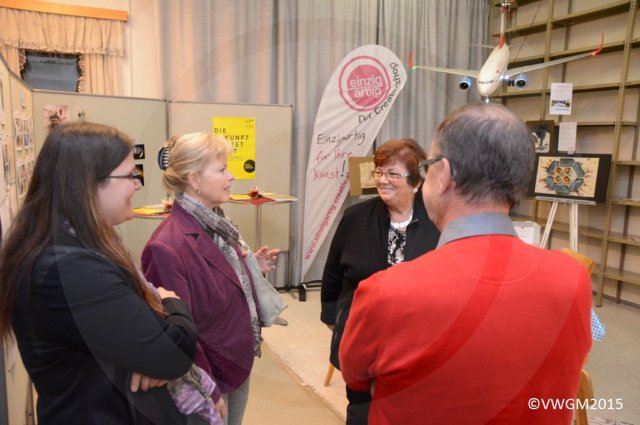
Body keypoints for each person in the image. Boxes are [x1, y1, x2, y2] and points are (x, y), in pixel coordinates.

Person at [339, 103, 592, 424]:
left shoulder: (387, 292)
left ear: (443, 175)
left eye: (427, 166)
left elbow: (356, 377)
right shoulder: (573, 278)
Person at [0, 122, 201, 425]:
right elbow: (174, 353)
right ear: (88, 183)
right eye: (131, 175)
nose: (138, 185)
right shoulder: (72, 270)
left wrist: (154, 354)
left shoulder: (76, 249)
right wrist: (171, 301)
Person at [141, 132, 279, 425]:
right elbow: (177, 332)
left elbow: (216, 275)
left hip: (235, 359)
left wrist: (251, 266)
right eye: (221, 169)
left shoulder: (218, 224)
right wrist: (207, 388)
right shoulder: (166, 246)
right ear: (194, 179)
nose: (231, 176)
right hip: (208, 376)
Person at [320, 138, 440, 425]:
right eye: (378, 172)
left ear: (416, 181)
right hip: (363, 335)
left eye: (393, 174)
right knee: (361, 408)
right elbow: (333, 271)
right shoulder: (355, 217)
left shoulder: (438, 220)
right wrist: (333, 317)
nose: (382, 180)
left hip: (417, 339)